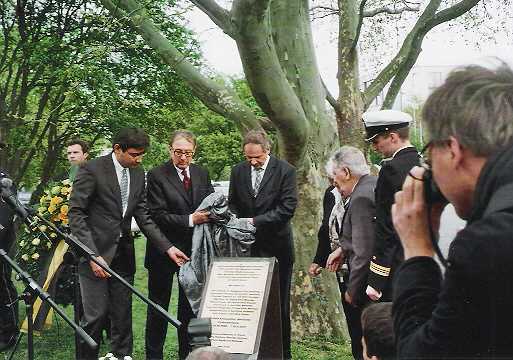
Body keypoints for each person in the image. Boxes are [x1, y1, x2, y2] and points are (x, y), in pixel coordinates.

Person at [391, 63, 513, 357]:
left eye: (429, 158)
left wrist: (418, 250)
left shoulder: (488, 241)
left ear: (453, 150)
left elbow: (422, 353)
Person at [69, 127, 186, 360]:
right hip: (95, 254)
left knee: (122, 316)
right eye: (134, 154)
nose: (139, 159)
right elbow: (76, 215)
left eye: (141, 154)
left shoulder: (137, 172)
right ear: (117, 149)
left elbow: (143, 216)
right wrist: (92, 255)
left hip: (123, 254)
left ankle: (122, 356)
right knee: (95, 316)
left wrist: (168, 247)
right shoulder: (92, 170)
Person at [145, 130, 214, 360]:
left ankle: (188, 355)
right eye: (178, 152)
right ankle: (154, 356)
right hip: (163, 251)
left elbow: (210, 204)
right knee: (158, 308)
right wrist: (190, 219)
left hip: (194, 253)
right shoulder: (156, 175)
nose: (183, 158)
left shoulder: (202, 173)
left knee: (190, 309)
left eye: (188, 153)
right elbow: (156, 214)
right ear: (169, 150)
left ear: (194, 152)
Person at [228, 130, 297, 359]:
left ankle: (282, 353)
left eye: (257, 157)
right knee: (250, 305)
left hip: (278, 247)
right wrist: (235, 220)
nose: (253, 161)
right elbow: (233, 203)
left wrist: (254, 222)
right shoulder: (238, 171)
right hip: (247, 249)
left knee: (279, 305)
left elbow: (287, 208)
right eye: (248, 157)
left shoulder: (285, 171)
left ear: (267, 150)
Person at [325, 146, 377, 360]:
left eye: (335, 178)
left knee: (364, 345)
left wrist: (352, 291)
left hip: (367, 288)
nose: (335, 184)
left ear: (345, 172)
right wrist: (343, 248)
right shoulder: (373, 184)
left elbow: (363, 252)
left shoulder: (360, 198)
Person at [363, 110, 420, 302]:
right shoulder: (424, 165)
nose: (374, 147)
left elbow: (385, 225)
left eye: (376, 140)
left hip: (398, 264)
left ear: (393, 137)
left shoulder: (391, 170)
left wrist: (377, 279)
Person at [0, 163, 19, 352]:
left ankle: (9, 333)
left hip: (1, 241)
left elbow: (7, 211)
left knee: (3, 286)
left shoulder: (4, 179)